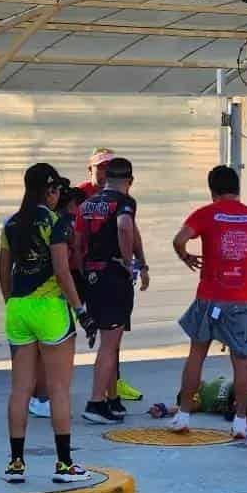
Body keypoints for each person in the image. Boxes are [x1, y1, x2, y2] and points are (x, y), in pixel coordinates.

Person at [0, 163, 97, 483]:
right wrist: (80, 310)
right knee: (58, 389)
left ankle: (15, 464)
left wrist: (13, 304)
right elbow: (61, 271)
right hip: (51, 310)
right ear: (50, 190)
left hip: (18, 309)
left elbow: (3, 274)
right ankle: (65, 465)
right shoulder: (55, 222)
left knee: (20, 390)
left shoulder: (10, 223)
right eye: (55, 190)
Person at [169, 166, 247, 440]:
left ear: (212, 190)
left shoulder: (205, 214)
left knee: (197, 355)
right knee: (241, 360)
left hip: (208, 297)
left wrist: (187, 257)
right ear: (237, 187)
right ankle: (240, 421)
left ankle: (183, 415)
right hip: (240, 300)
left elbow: (179, 240)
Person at [76, 157, 149, 424]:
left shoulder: (87, 204)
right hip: (113, 278)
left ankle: (111, 399)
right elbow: (125, 227)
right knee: (109, 345)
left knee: (112, 340)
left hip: (93, 277)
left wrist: (85, 270)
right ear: (130, 180)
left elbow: (77, 242)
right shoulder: (124, 202)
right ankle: (95, 403)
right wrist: (130, 263)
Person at [29, 185, 87, 420]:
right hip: (55, 293)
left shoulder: (22, 222)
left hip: (27, 298)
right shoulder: (60, 223)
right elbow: (64, 267)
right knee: (55, 350)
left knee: (37, 351)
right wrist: (79, 308)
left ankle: (37, 397)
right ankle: (44, 398)